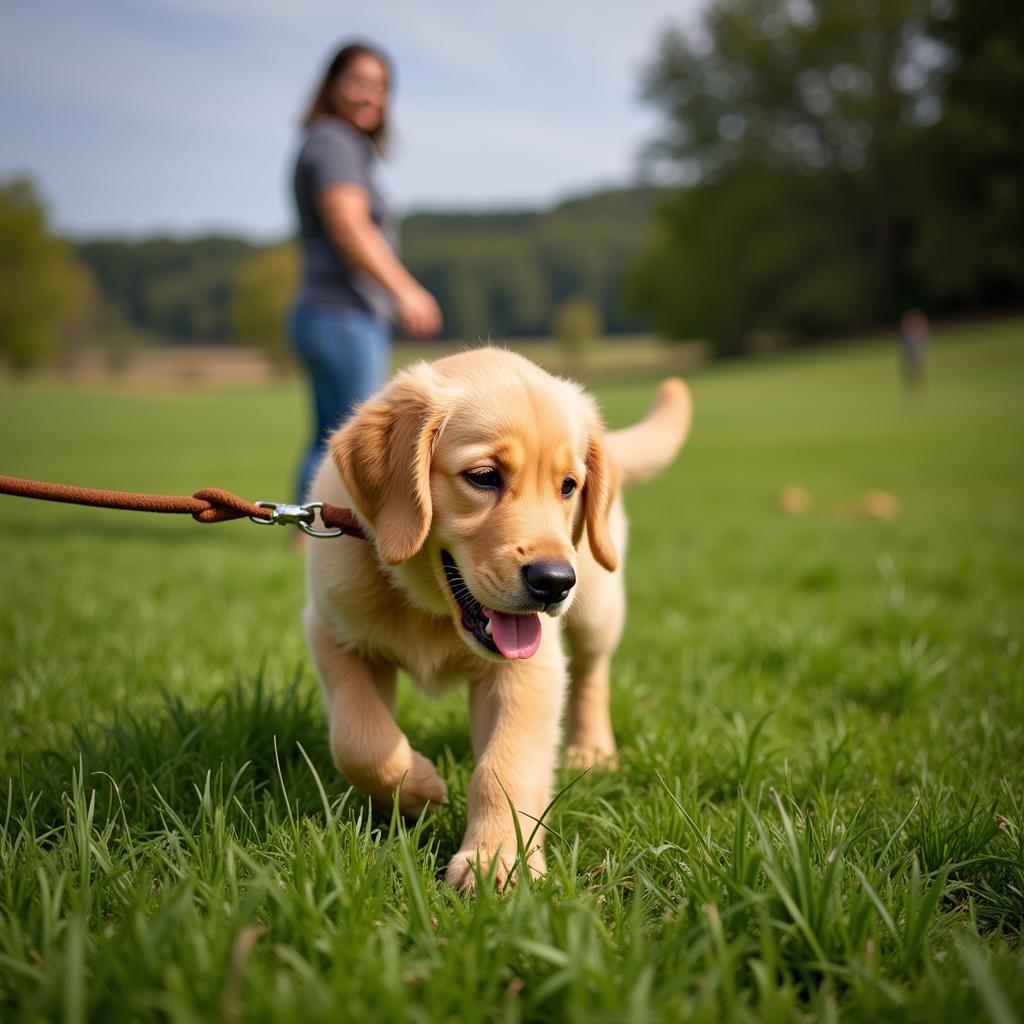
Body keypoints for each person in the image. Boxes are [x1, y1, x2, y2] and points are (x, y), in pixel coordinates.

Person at [290, 41, 442, 507]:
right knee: (359, 440)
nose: (369, 95)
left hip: (327, 315)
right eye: (357, 82)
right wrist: (405, 290)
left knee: (329, 435)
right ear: (332, 86)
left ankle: (305, 535)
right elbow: (349, 226)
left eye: (380, 86)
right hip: (342, 316)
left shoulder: (341, 146)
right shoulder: (334, 142)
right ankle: (320, 539)